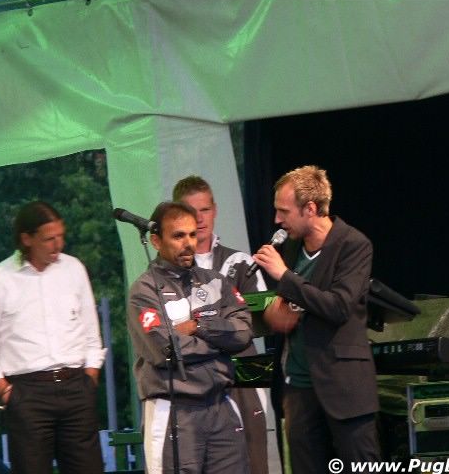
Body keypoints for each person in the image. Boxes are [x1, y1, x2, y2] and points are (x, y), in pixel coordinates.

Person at [252, 166, 380, 474]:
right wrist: (274, 311)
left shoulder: (353, 244)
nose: (277, 220)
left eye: (284, 211)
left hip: (343, 387)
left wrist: (284, 275)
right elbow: (287, 303)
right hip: (298, 387)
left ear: (310, 208)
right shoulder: (291, 247)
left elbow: (338, 306)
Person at [0, 201, 106, 474]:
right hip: (27, 392)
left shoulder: (73, 269)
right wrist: (7, 392)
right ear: (27, 239)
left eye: (61, 236)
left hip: (76, 385)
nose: (58, 245)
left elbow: (91, 333)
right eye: (49, 239)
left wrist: (90, 377)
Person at [127, 201, 252, 473]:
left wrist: (198, 326)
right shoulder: (143, 290)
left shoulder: (216, 281)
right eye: (178, 236)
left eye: (193, 234)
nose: (188, 243)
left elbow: (243, 333)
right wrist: (221, 343)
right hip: (174, 410)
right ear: (156, 241)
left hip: (221, 405)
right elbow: (166, 350)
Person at [172, 175, 269, 474]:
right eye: (192, 212)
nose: (200, 219)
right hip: (195, 379)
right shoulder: (168, 272)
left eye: (205, 209)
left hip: (246, 372)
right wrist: (224, 321)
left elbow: (256, 322)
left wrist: (201, 323)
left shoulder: (240, 262)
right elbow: (175, 331)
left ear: (215, 210)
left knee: (254, 461)